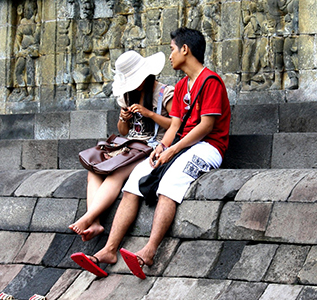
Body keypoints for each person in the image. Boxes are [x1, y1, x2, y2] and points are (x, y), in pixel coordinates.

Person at [71, 27, 231, 279]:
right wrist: (161, 148)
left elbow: (206, 126)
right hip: (181, 145)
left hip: (209, 146)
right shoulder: (181, 87)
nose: (170, 56)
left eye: (172, 49)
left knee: (169, 182)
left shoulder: (210, 81)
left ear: (185, 50)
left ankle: (149, 250)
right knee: (135, 180)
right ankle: (109, 250)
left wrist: (173, 149)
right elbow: (175, 126)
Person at [69, 50, 174, 242]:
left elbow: (176, 125)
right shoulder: (127, 96)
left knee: (117, 173)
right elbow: (123, 130)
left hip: (151, 147)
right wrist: (123, 118)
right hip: (128, 145)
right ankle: (95, 223)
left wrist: (149, 114)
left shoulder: (164, 93)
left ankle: (88, 217)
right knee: (94, 171)